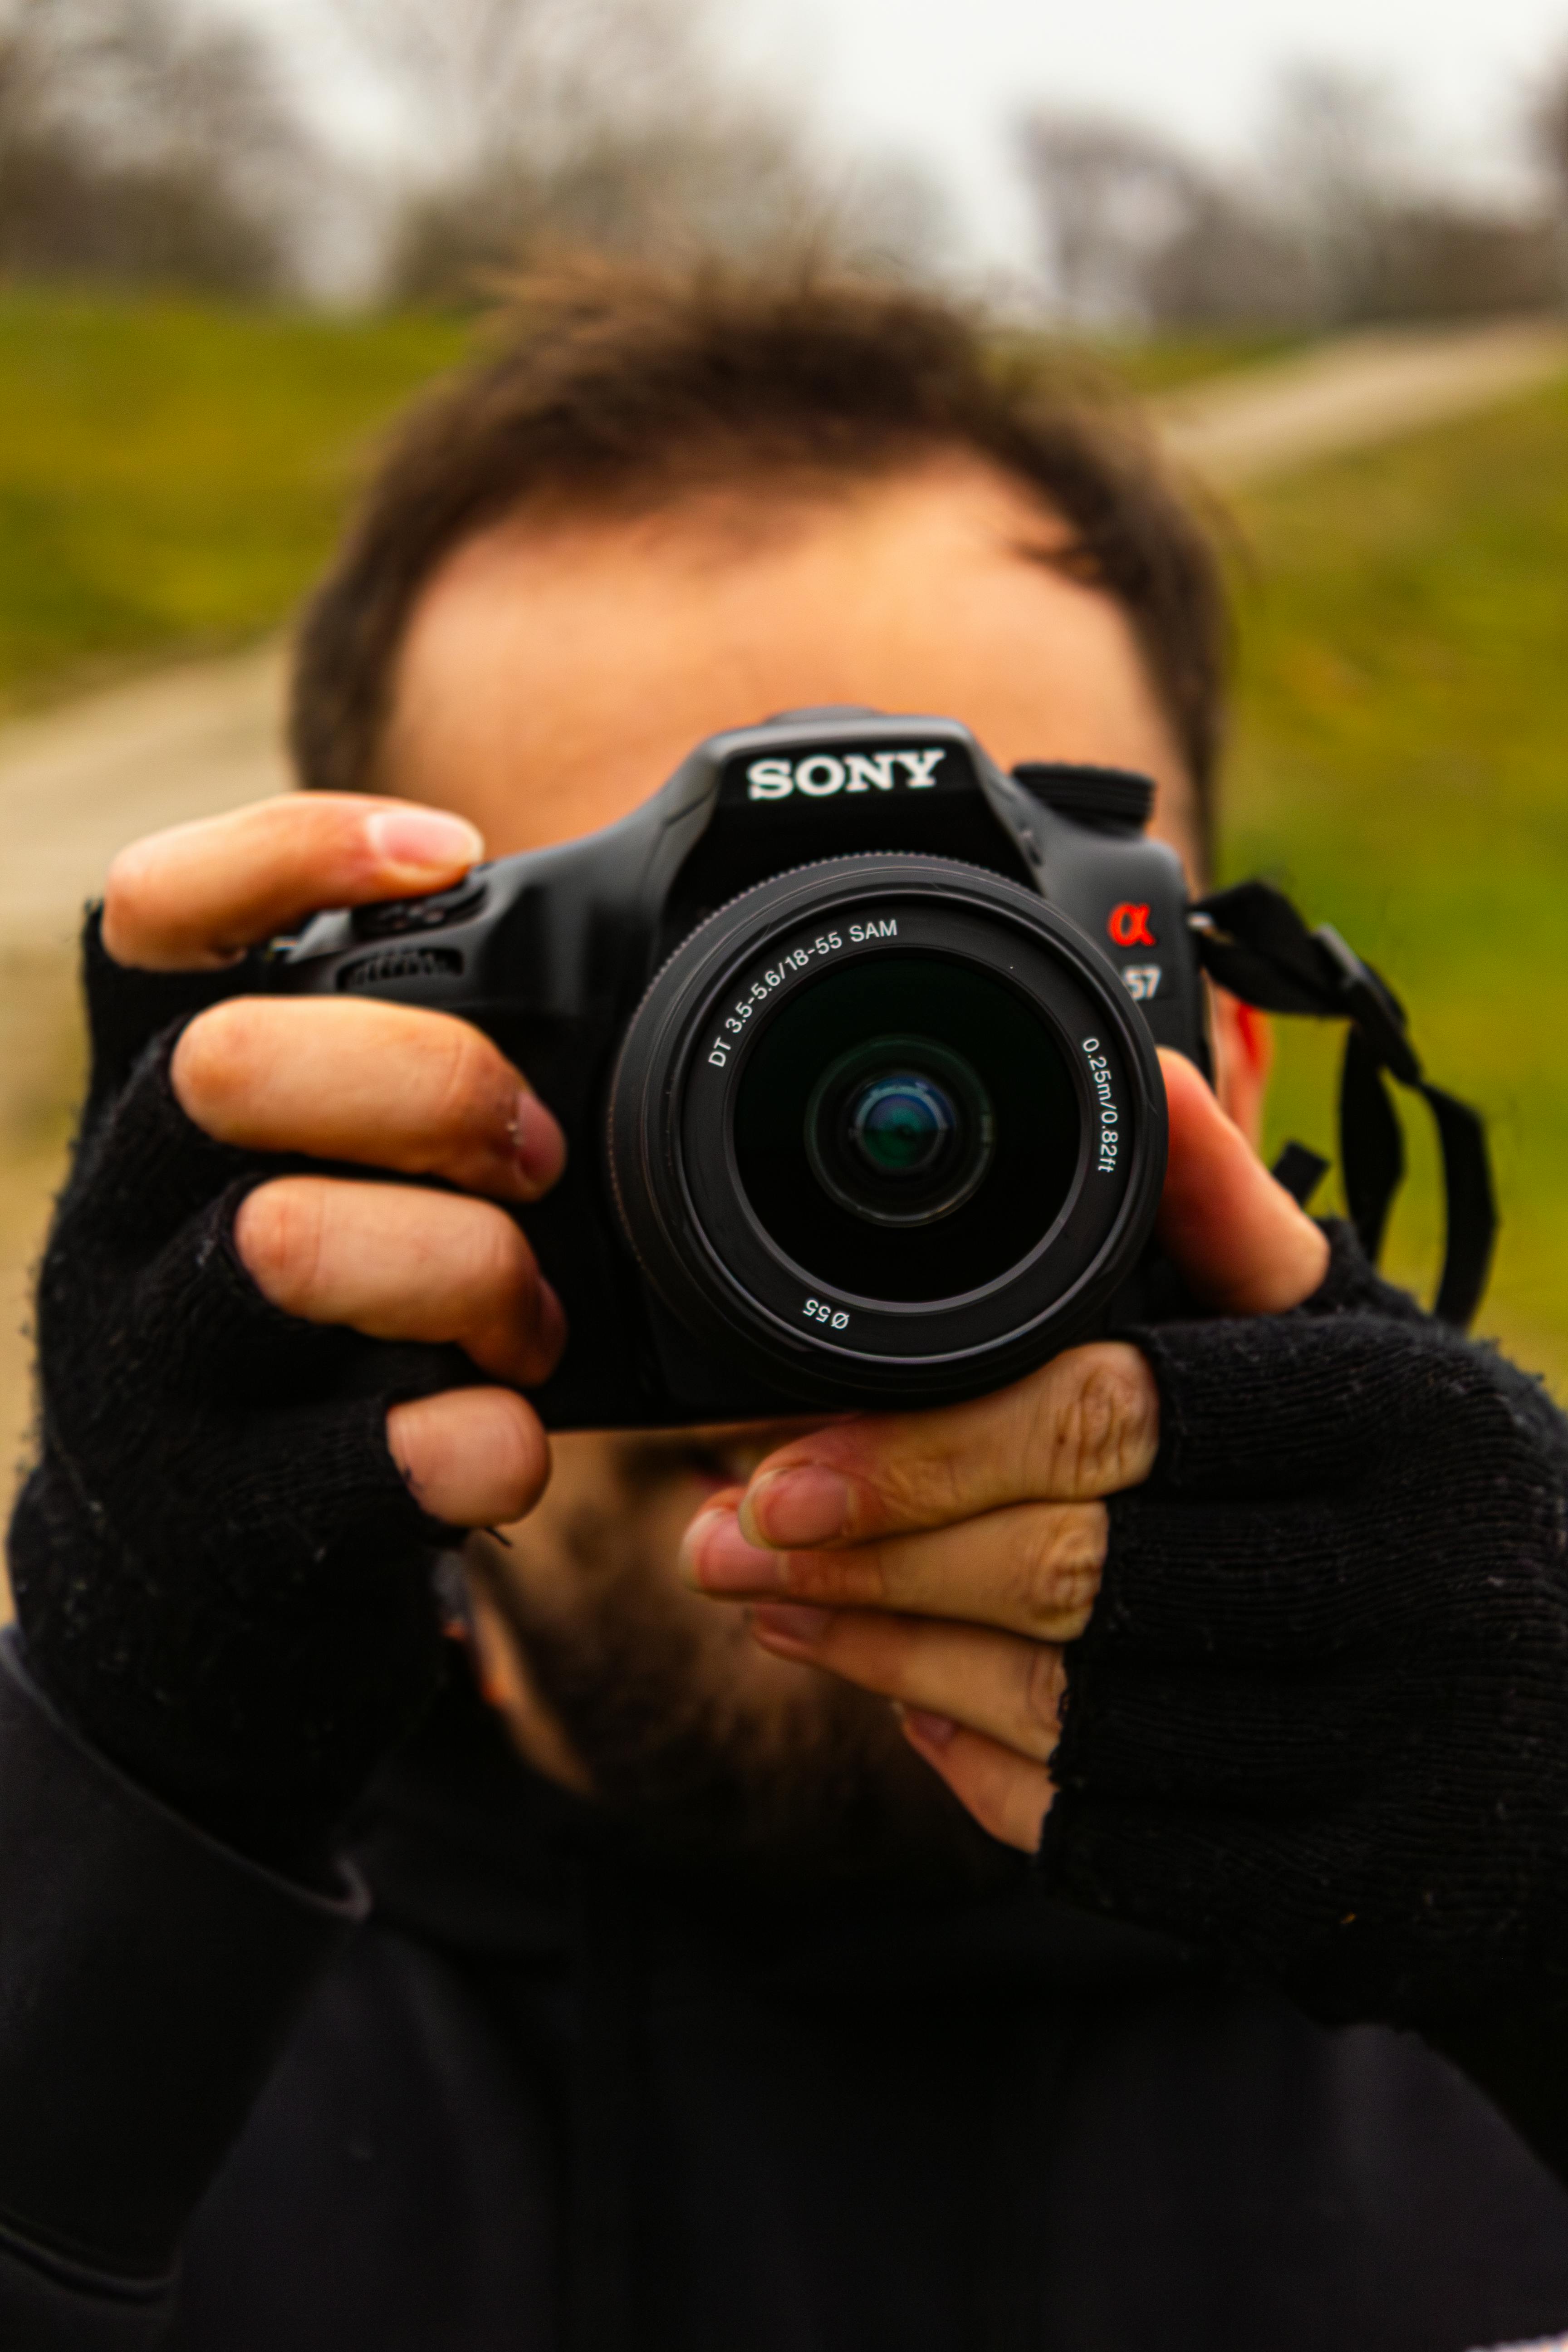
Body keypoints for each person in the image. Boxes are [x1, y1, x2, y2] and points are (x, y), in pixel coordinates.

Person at [5, 268, 1568, 2352]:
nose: (813, 1256)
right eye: (650, 1013)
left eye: (969, 977)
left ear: (1207, 1079)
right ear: (354, 1095)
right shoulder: (158, 2010)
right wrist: (112, 1817)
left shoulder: (1510, 1908)